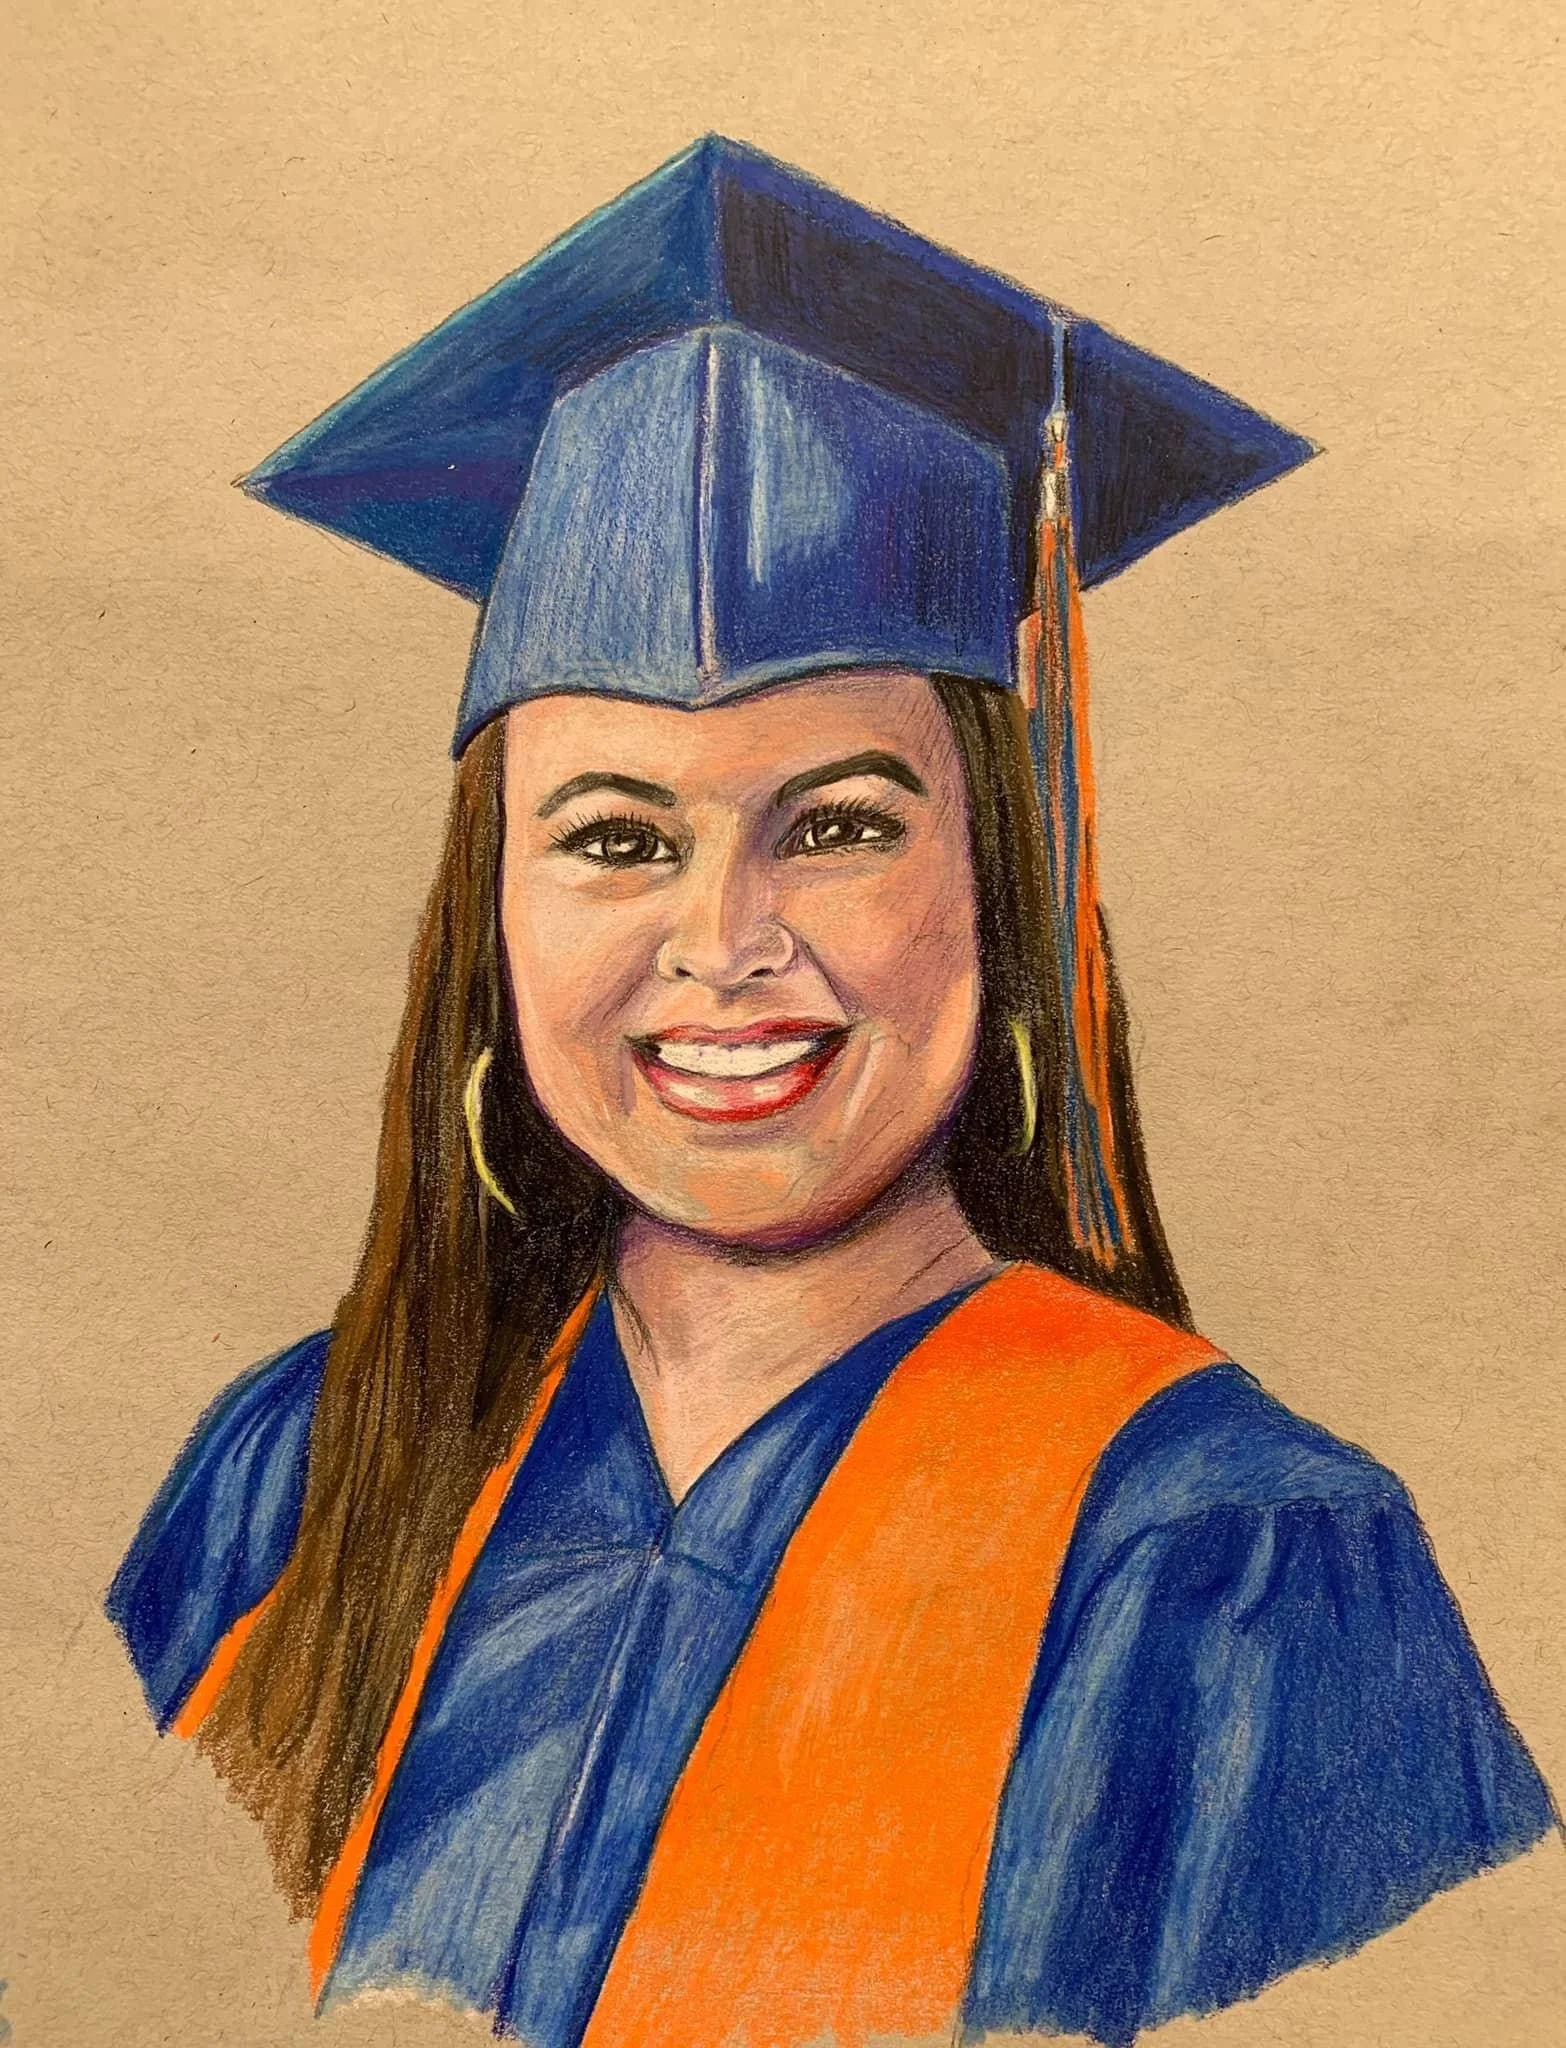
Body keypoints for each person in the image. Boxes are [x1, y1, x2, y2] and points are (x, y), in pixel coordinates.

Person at [106, 138, 1556, 2048]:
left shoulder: (1235, 1566)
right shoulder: (290, 1475)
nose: (724, 943)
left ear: (997, 880)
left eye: (841, 826)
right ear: (491, 918)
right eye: (613, 839)